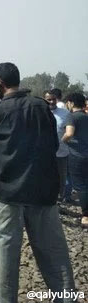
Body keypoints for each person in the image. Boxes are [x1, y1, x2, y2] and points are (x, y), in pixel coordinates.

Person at [0, 62, 74, 302]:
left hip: (8, 191)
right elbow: (53, 144)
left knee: (6, 248)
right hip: (42, 189)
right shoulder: (40, 106)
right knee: (54, 250)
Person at [62, 92, 88, 228]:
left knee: (80, 185)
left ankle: (85, 215)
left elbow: (69, 133)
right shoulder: (86, 116)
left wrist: (63, 140)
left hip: (77, 155)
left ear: (71, 103)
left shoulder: (71, 116)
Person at [44, 89, 73, 203]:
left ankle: (59, 200)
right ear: (44, 100)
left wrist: (61, 142)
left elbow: (69, 131)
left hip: (61, 152)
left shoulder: (65, 113)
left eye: (53, 99)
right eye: (48, 99)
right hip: (44, 153)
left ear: (57, 99)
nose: (51, 102)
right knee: (46, 178)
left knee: (61, 179)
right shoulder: (40, 112)